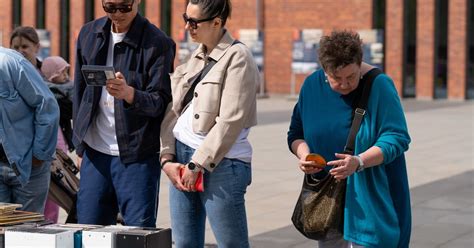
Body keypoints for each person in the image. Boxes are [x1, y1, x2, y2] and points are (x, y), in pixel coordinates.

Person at [287, 30, 411, 248]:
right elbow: (296, 133)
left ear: (360, 63)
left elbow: (397, 136)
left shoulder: (379, 85)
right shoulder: (311, 86)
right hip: (328, 201)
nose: (344, 84)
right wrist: (305, 155)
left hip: (370, 202)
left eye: (351, 76)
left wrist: (360, 161)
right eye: (336, 78)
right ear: (324, 71)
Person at [160, 0, 260, 247]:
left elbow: (231, 120)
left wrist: (198, 164)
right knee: (184, 243)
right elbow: (175, 110)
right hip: (183, 158)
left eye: (194, 22)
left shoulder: (238, 57)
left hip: (220, 164)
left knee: (231, 243)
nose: (187, 26)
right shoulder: (197, 54)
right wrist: (167, 157)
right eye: (186, 18)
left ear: (217, 22)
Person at [73, 0, 175, 227]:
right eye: (110, 7)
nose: (117, 13)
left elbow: (161, 102)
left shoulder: (158, 42)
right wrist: (79, 145)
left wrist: (130, 94)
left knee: (136, 234)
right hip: (94, 152)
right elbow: (79, 91)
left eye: (124, 7)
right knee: (89, 231)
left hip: (136, 154)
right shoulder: (89, 33)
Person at [10, 26, 62, 222]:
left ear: (36, 47)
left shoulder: (47, 72)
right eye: (15, 47)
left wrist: (40, 153)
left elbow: (53, 111)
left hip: (44, 147)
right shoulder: (8, 72)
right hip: (13, 150)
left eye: (25, 46)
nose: (21, 51)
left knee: (45, 210)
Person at [0, 46, 59, 214]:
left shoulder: (10, 63)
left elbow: (47, 106)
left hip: (27, 165)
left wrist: (39, 154)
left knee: (27, 233)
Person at [42, 56, 75, 152]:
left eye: (66, 72)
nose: (66, 75)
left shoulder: (67, 84)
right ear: (52, 76)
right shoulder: (52, 90)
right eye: (62, 73)